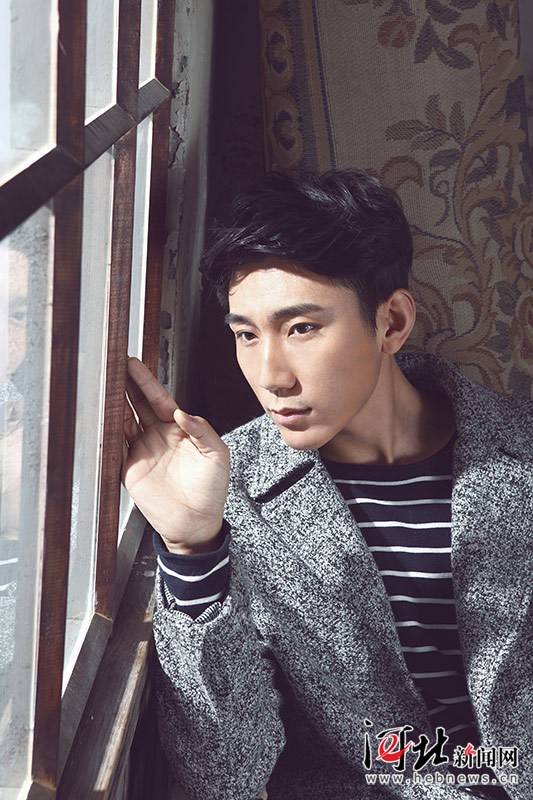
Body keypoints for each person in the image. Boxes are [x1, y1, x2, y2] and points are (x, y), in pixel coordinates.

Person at [122, 170, 531, 800]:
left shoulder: (518, 446)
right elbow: (224, 776)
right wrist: (192, 549)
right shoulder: (227, 492)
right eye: (246, 334)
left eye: (301, 328)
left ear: (392, 322)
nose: (271, 375)